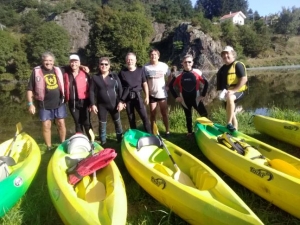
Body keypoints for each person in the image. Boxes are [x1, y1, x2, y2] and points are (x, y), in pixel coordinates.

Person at [27, 51, 67, 151]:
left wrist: (83, 66)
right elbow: (29, 89)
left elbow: (73, 66)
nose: (48, 62)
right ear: (42, 61)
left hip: (59, 102)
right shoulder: (36, 71)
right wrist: (30, 104)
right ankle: (49, 146)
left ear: (53, 61)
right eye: (46, 61)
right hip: (44, 104)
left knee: (61, 123)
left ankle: (62, 143)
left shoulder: (58, 70)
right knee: (46, 125)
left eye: (50, 60)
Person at [169, 54, 208, 136]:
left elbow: (206, 83)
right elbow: (170, 86)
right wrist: (176, 97)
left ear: (192, 63)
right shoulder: (178, 75)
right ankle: (190, 133)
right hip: (184, 100)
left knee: (204, 114)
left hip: (196, 99)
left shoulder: (197, 72)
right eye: (185, 62)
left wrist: (203, 95)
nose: (187, 64)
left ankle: (206, 131)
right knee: (188, 116)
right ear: (182, 63)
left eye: (189, 62)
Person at [90, 57, 123, 146]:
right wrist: (93, 104)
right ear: (99, 65)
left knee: (117, 122)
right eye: (102, 64)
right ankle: (103, 143)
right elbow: (91, 91)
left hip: (114, 104)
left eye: (106, 64)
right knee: (102, 125)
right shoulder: (95, 77)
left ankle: (120, 140)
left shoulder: (114, 76)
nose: (103, 66)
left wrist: (121, 102)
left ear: (109, 66)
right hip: (101, 105)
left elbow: (120, 89)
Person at [216, 46, 248, 132]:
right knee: (231, 112)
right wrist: (220, 94)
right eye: (223, 54)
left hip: (238, 91)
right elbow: (220, 85)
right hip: (227, 93)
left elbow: (244, 79)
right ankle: (235, 130)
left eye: (227, 53)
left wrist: (234, 91)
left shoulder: (238, 65)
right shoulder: (222, 69)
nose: (225, 56)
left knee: (230, 98)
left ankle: (228, 123)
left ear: (233, 54)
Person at [118, 52, 151, 133]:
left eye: (131, 60)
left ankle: (150, 135)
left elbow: (145, 84)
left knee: (145, 117)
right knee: (131, 118)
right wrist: (122, 101)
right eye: (128, 60)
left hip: (138, 97)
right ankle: (134, 137)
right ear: (126, 61)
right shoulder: (122, 73)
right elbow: (120, 88)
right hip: (128, 99)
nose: (130, 61)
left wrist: (147, 96)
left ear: (135, 61)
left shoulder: (141, 70)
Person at [63, 54, 93, 140]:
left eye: (76, 62)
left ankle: (92, 140)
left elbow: (91, 89)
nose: (73, 64)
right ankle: (81, 140)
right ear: (69, 63)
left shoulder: (85, 73)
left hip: (84, 102)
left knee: (87, 122)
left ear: (79, 62)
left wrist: (91, 103)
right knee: (77, 122)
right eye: (72, 62)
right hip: (72, 103)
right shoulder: (66, 73)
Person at [142, 49, 171, 137]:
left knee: (164, 113)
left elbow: (170, 76)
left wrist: (168, 86)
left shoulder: (164, 66)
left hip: (162, 94)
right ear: (149, 56)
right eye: (151, 54)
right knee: (152, 114)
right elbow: (144, 81)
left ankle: (167, 131)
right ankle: (154, 132)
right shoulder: (145, 67)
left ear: (158, 56)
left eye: (155, 54)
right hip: (151, 95)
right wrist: (146, 93)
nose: (153, 56)